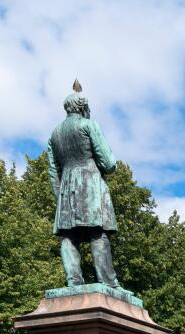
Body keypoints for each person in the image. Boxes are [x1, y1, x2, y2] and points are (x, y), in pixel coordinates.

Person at [47, 80, 121, 288]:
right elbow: (109, 163)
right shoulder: (89, 125)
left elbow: (54, 171)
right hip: (89, 183)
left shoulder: (54, 134)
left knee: (69, 236)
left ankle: (74, 281)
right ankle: (108, 282)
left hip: (66, 189)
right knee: (98, 232)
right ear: (84, 107)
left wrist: (59, 196)